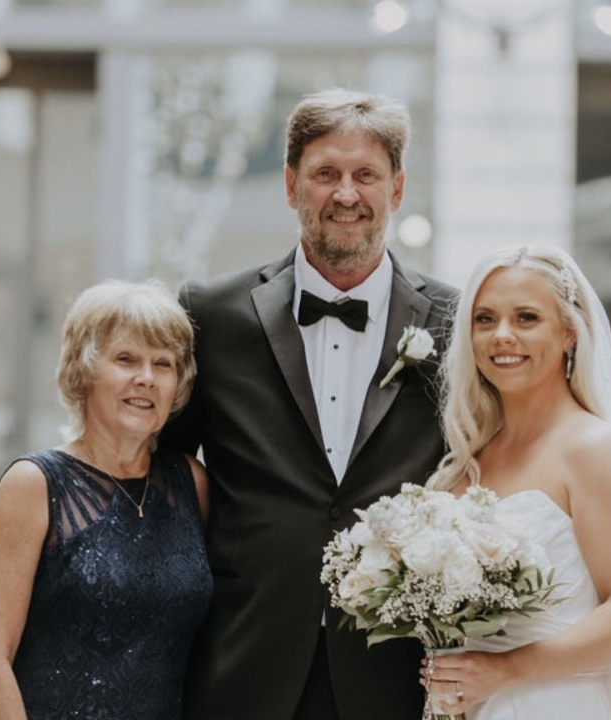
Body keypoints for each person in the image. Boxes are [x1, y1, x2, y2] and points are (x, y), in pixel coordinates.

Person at [160, 87, 457, 720]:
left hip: (398, 668)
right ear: (291, 185)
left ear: (398, 189)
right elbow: (168, 470)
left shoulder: (456, 320)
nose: (346, 194)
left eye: (365, 175)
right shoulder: (212, 313)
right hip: (244, 660)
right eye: (325, 174)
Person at [419, 245, 611, 719]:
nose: (502, 335)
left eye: (526, 318)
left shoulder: (595, 450)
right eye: (485, 319)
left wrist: (504, 670)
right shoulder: (468, 460)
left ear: (569, 331)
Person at [0, 279, 211, 719]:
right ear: (84, 372)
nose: (146, 378)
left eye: (163, 364)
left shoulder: (190, 484)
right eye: (126, 359)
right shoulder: (34, 485)